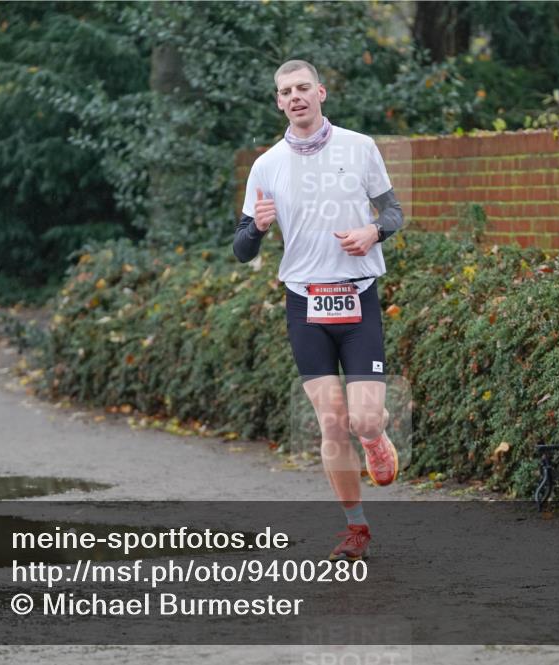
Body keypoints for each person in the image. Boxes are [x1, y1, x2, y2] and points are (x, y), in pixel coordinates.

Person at [233, 60, 405, 561]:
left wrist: (373, 231)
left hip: (357, 297)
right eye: (286, 91)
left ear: (321, 92)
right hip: (304, 303)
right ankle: (356, 529)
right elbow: (241, 249)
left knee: (363, 419)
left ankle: (374, 435)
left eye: (303, 87)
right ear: (278, 102)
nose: (295, 96)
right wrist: (257, 229)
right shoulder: (267, 165)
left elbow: (393, 211)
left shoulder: (360, 146)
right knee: (331, 420)